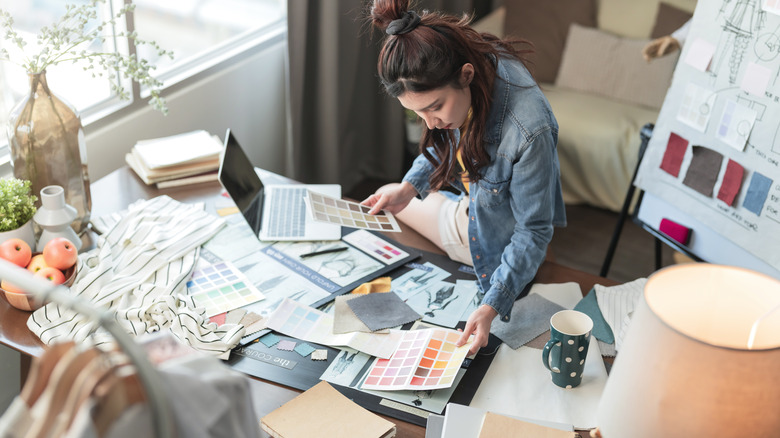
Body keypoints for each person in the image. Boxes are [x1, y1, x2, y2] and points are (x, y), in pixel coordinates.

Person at [362, 0, 566, 355]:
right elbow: (445, 140)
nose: (430, 124)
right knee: (392, 195)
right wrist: (410, 187)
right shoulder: (466, 63)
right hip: (476, 207)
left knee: (387, 199)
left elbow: (534, 231)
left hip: (498, 245)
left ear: (466, 75)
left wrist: (492, 303)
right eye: (417, 114)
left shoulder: (530, 128)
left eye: (434, 107)